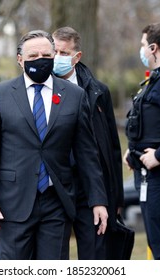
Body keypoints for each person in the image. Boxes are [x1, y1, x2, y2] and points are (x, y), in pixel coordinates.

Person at [0, 29, 108, 260]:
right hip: (13, 203)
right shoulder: (0, 95)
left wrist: (98, 200)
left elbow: (87, 153)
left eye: (46, 55)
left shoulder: (74, 95)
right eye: (33, 56)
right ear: (20, 60)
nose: (40, 61)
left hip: (56, 201)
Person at [52, 27, 124, 260]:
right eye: (54, 50)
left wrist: (116, 198)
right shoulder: (39, 88)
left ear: (77, 56)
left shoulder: (97, 90)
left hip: (90, 185)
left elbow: (112, 146)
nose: (56, 57)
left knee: (95, 255)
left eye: (63, 52)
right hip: (55, 184)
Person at [124, 22, 160, 259]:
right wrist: (133, 150)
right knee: (158, 244)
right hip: (151, 176)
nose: (142, 50)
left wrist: (159, 154)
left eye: (144, 45)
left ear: (154, 48)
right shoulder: (159, 79)